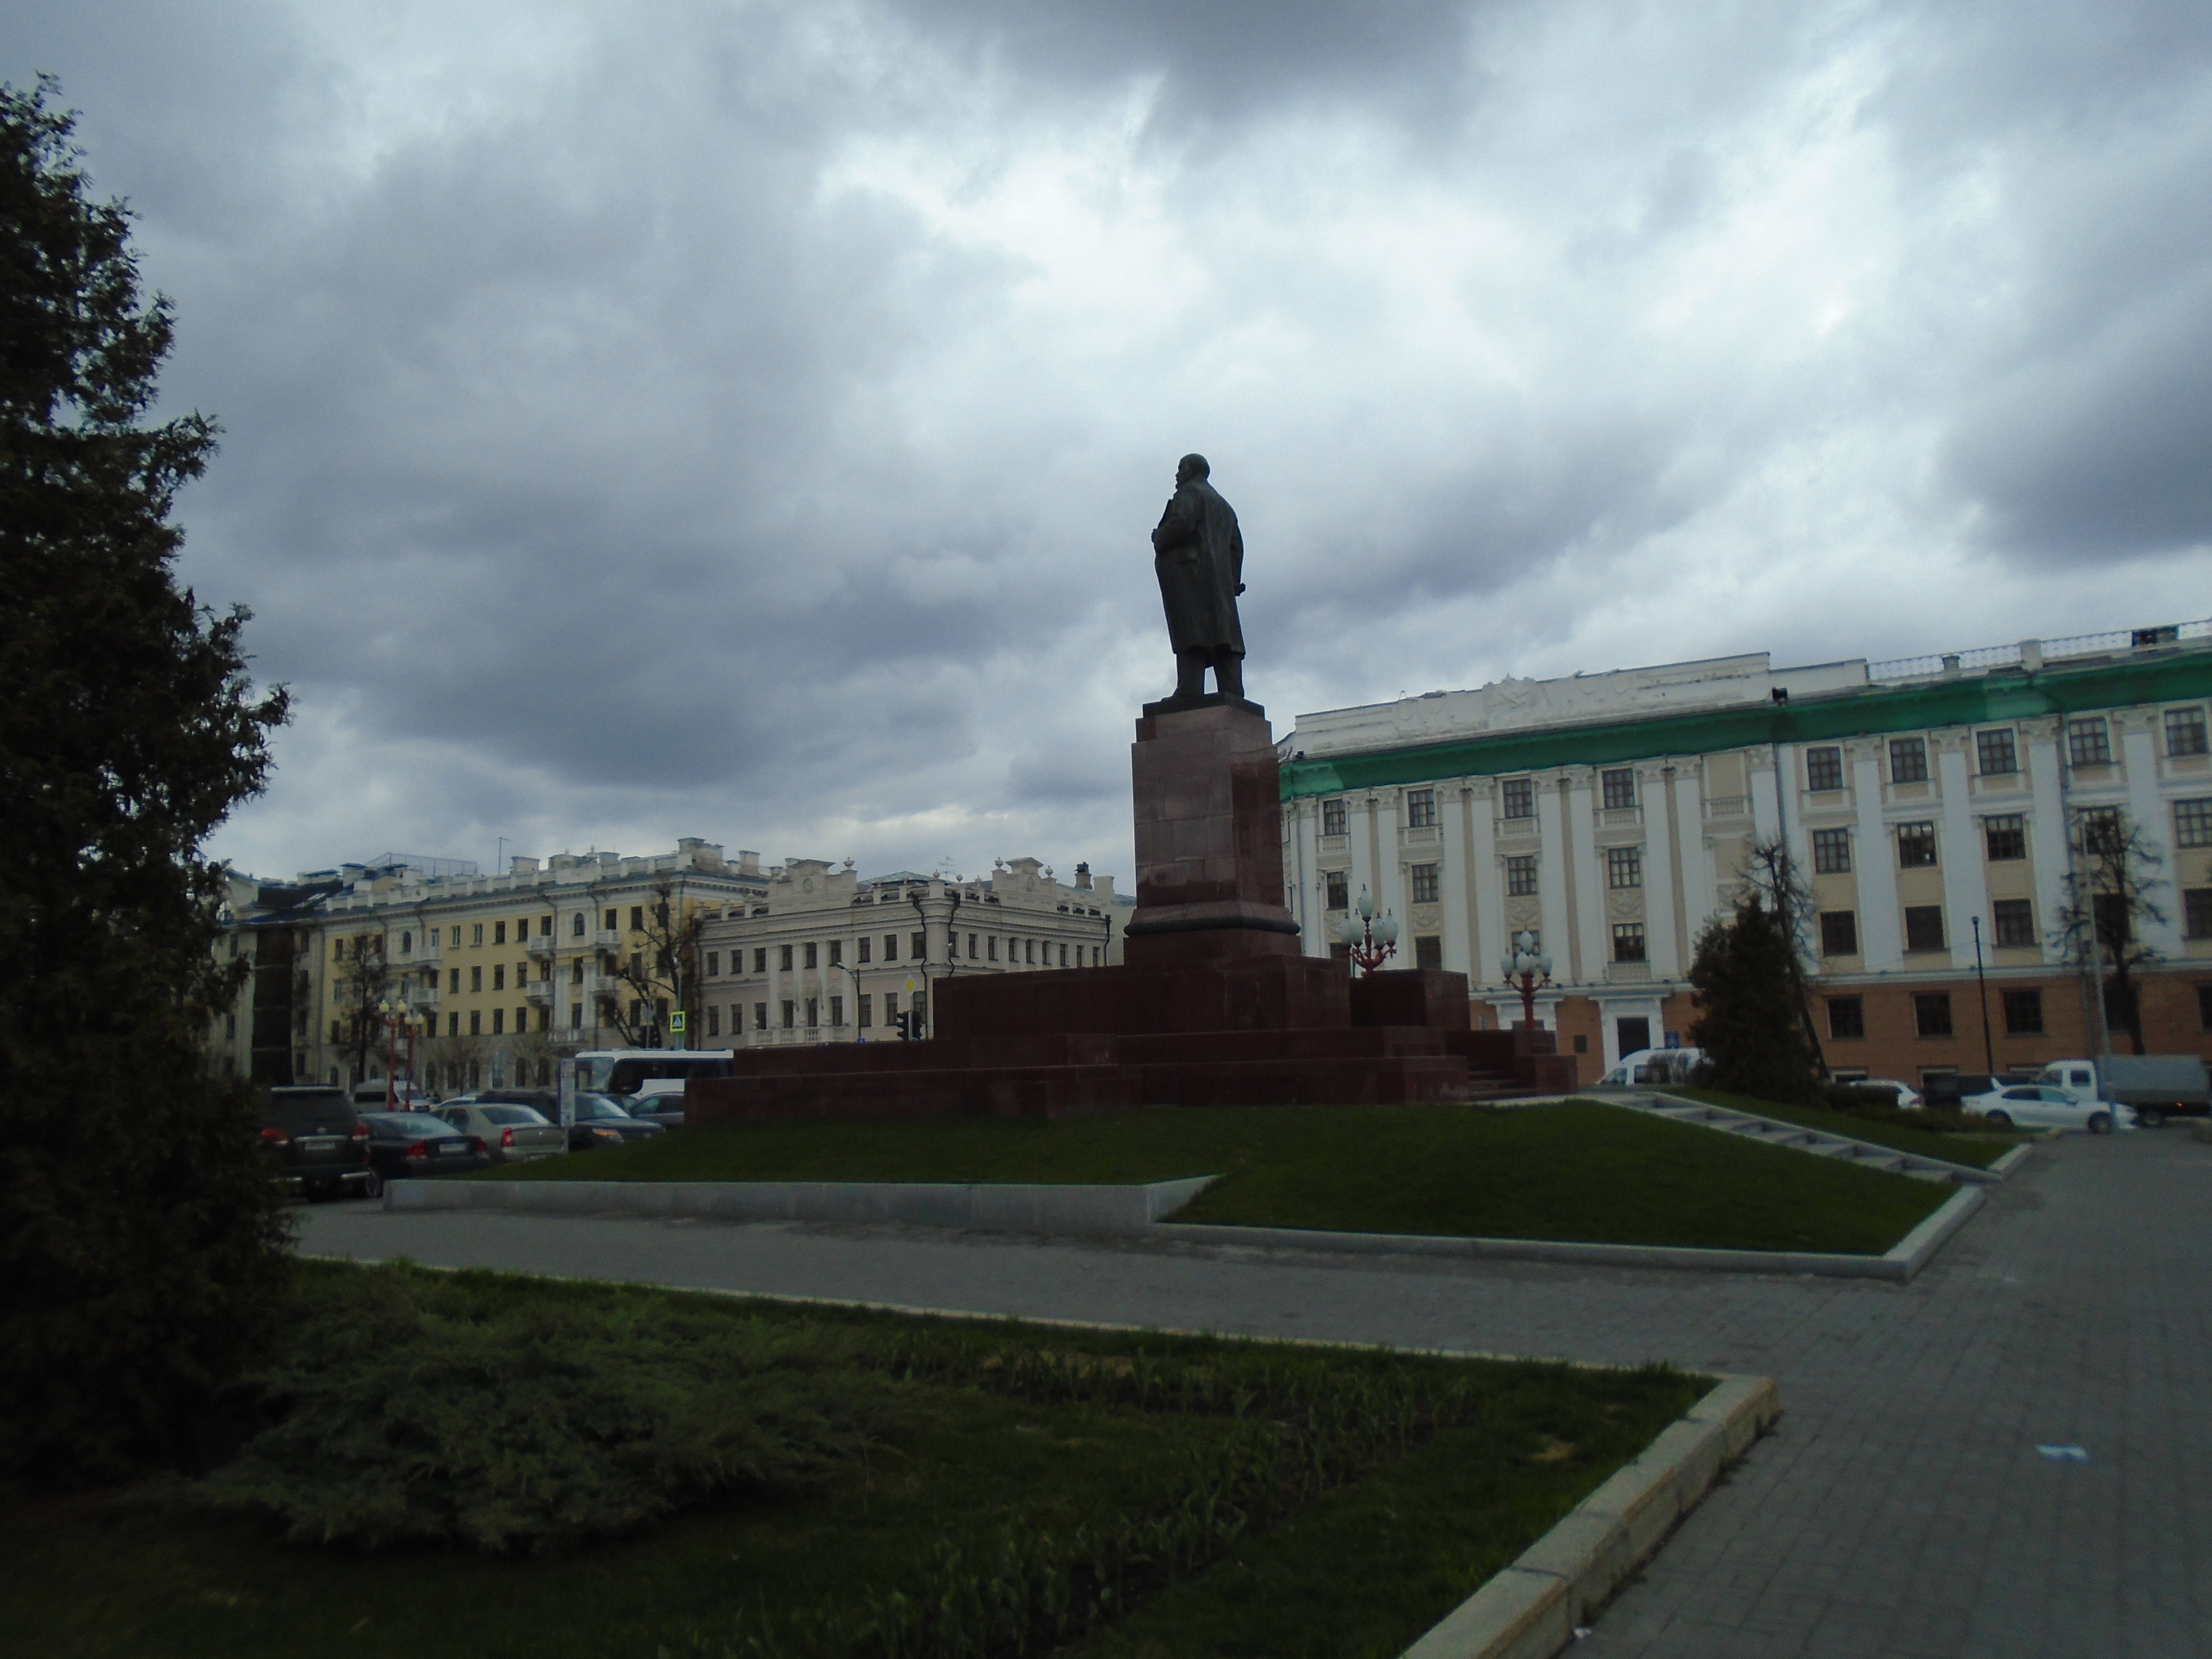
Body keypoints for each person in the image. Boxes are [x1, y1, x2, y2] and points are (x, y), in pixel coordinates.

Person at [1150, 453, 1246, 700]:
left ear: (1192, 470)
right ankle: (1233, 689)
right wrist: (1233, 580)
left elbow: (1182, 524)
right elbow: (1236, 546)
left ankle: (1189, 690)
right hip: (1219, 584)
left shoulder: (1189, 494)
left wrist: (1159, 537)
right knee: (1224, 634)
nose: (1177, 474)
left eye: (1181, 468)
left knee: (1192, 631)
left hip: (1189, 575)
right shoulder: (1224, 506)